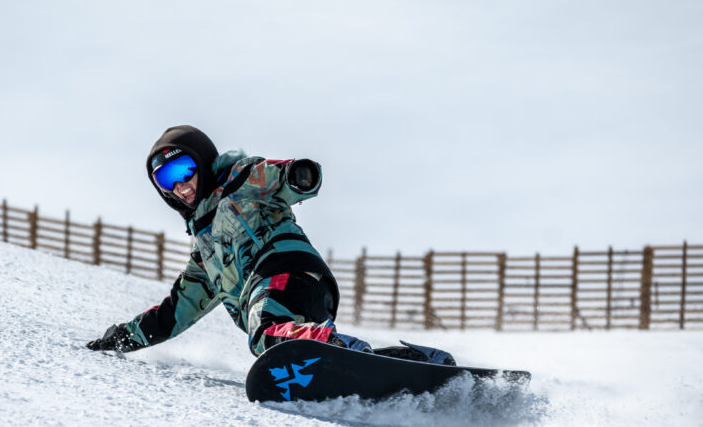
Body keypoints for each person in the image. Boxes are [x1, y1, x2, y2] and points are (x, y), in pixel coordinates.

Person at [86, 125, 454, 365]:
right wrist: (124, 337)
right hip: (304, 296)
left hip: (283, 272)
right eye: (165, 180)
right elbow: (176, 311)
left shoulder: (239, 181)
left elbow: (277, 177)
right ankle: (403, 361)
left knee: (264, 334)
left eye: (183, 170)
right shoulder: (206, 254)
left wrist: (298, 175)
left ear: (202, 161)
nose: (179, 186)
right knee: (289, 345)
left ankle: (331, 347)